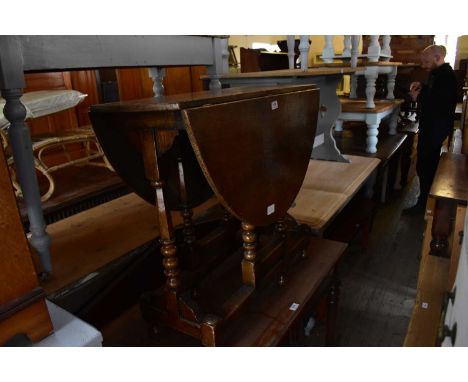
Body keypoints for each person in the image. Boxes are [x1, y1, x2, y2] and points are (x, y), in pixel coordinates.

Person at [403, 44, 458, 215]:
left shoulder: (447, 76)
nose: (423, 65)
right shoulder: (438, 73)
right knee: (424, 163)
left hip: (436, 126)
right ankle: (425, 200)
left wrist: (418, 96)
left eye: (426, 61)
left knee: (426, 164)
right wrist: (422, 87)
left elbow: (439, 103)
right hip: (432, 125)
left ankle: (424, 204)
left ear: (438, 57)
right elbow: (434, 94)